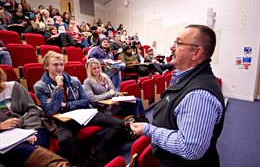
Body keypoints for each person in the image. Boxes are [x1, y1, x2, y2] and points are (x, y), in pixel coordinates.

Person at [130, 24, 225, 167]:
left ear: (196, 52)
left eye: (178, 43)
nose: (172, 47)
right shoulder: (186, 77)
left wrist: (148, 130)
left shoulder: (198, 95)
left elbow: (190, 148)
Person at [34, 51, 131, 167]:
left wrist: (67, 105)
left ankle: (97, 151)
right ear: (46, 66)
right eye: (55, 65)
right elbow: (51, 110)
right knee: (64, 141)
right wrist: (58, 87)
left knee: (120, 124)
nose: (60, 68)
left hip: (84, 113)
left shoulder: (74, 80)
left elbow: (85, 101)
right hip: (64, 120)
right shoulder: (40, 86)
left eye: (61, 64)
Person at [0, 68, 70, 167]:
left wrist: (26, 132)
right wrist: (1, 126)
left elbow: (32, 109)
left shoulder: (14, 87)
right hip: (5, 137)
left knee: (37, 144)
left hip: (32, 126)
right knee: (20, 150)